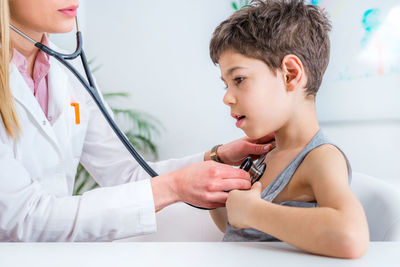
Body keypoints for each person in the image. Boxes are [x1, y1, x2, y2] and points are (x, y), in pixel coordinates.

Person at [0, 0, 275, 241]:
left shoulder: (66, 73)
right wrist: (173, 187)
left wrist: (216, 157)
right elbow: (21, 218)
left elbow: (125, 173)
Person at [208, 0, 369, 259]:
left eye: (239, 79)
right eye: (225, 84)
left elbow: (350, 237)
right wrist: (218, 190)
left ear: (290, 74)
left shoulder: (319, 157)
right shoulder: (265, 156)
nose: (227, 97)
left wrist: (253, 211)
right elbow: (243, 231)